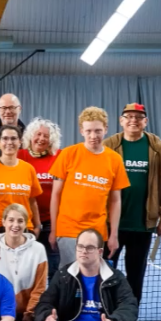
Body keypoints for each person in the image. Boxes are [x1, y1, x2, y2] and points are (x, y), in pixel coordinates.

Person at [31, 229, 141, 321]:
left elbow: (129, 306)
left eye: (89, 248)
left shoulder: (115, 278)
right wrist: (46, 317)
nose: (84, 251)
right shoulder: (64, 275)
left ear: (100, 252)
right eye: (80, 247)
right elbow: (45, 302)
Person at [102, 103, 161, 316]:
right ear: (121, 121)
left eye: (138, 117)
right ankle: (105, 312)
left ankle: (130, 316)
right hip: (110, 224)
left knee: (136, 274)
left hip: (143, 223)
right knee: (106, 272)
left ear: (145, 122)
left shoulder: (156, 146)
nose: (133, 120)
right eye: (129, 116)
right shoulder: (109, 145)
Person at [50, 107, 129, 269]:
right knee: (70, 277)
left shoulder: (114, 160)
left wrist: (113, 235)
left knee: (93, 277)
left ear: (106, 129)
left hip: (97, 232)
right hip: (68, 230)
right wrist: (53, 229)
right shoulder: (67, 154)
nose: (93, 136)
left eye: (98, 131)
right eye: (89, 131)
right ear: (81, 131)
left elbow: (115, 201)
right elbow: (55, 195)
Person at [0, 125, 42, 237]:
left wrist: (38, 226)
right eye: (5, 138)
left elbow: (32, 201)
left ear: (20, 142)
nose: (9, 142)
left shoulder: (28, 169)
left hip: (24, 229)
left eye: (13, 138)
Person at [19, 118, 61, 280]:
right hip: (27, 223)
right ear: (30, 136)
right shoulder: (20, 155)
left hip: (52, 222)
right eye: (38, 134)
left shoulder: (59, 157)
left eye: (46, 136)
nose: (42, 139)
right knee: (28, 271)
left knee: (52, 270)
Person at [0, 204, 47, 321]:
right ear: (3, 222)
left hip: (27, 314)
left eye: (20, 221)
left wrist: (27, 319)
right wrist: (5, 320)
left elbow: (39, 288)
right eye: (11, 220)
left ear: (26, 224)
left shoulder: (38, 249)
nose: (15, 225)